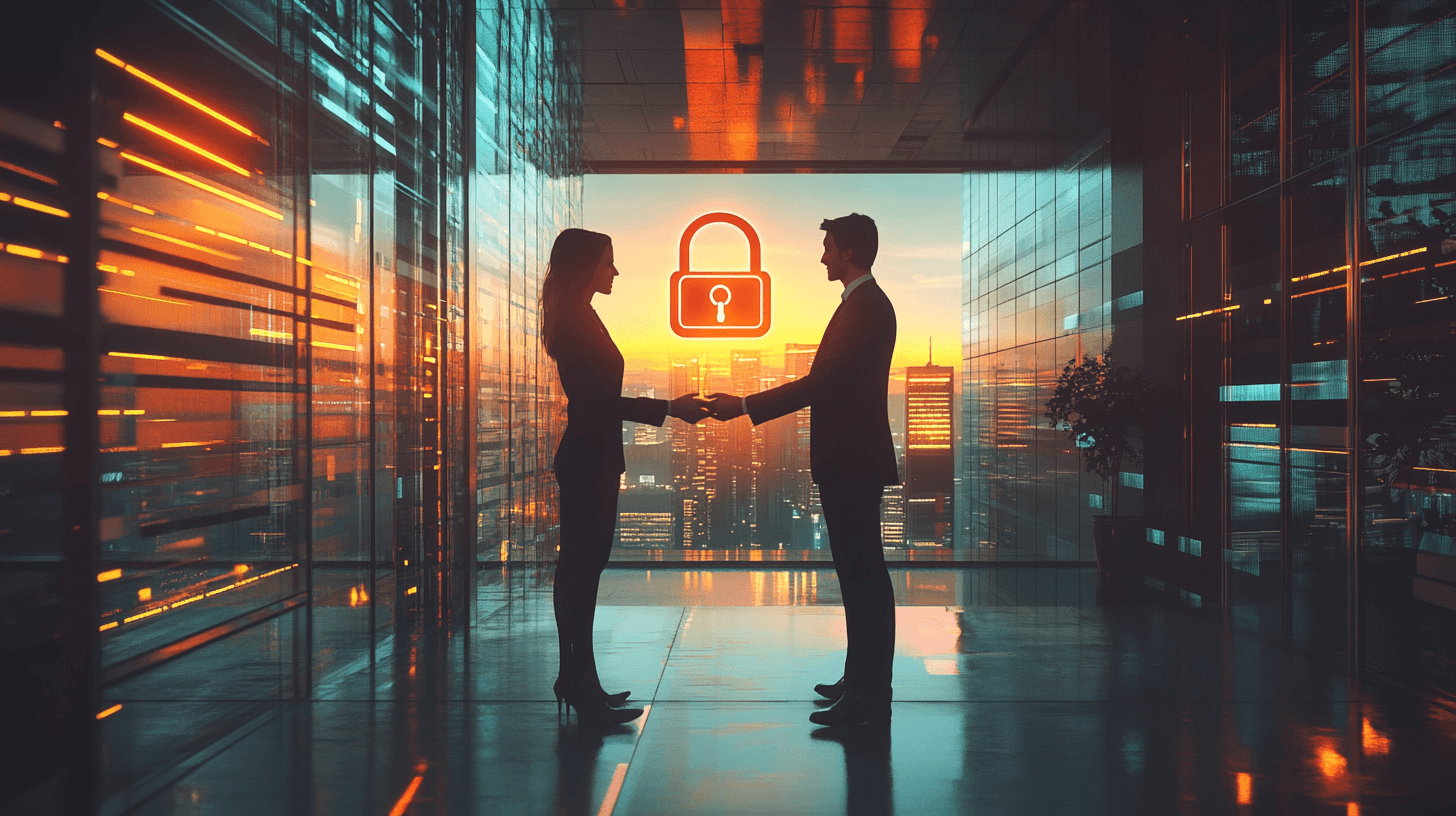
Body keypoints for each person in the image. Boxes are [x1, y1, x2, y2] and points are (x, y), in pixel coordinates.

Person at [707, 213, 899, 727]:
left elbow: (820, 384)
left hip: (851, 462)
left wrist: (745, 403)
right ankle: (860, 681)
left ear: (850, 253)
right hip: (851, 461)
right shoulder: (863, 305)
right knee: (859, 576)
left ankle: (868, 693)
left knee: (863, 577)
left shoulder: (864, 308)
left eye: (829, 248)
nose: (823, 257)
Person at [541, 228, 709, 726]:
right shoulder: (573, 321)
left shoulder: (582, 316)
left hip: (594, 458)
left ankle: (579, 678)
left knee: (581, 573)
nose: (615, 271)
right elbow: (595, 402)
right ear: (586, 266)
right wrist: (669, 409)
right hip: (587, 460)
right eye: (608, 262)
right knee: (579, 573)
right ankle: (578, 680)